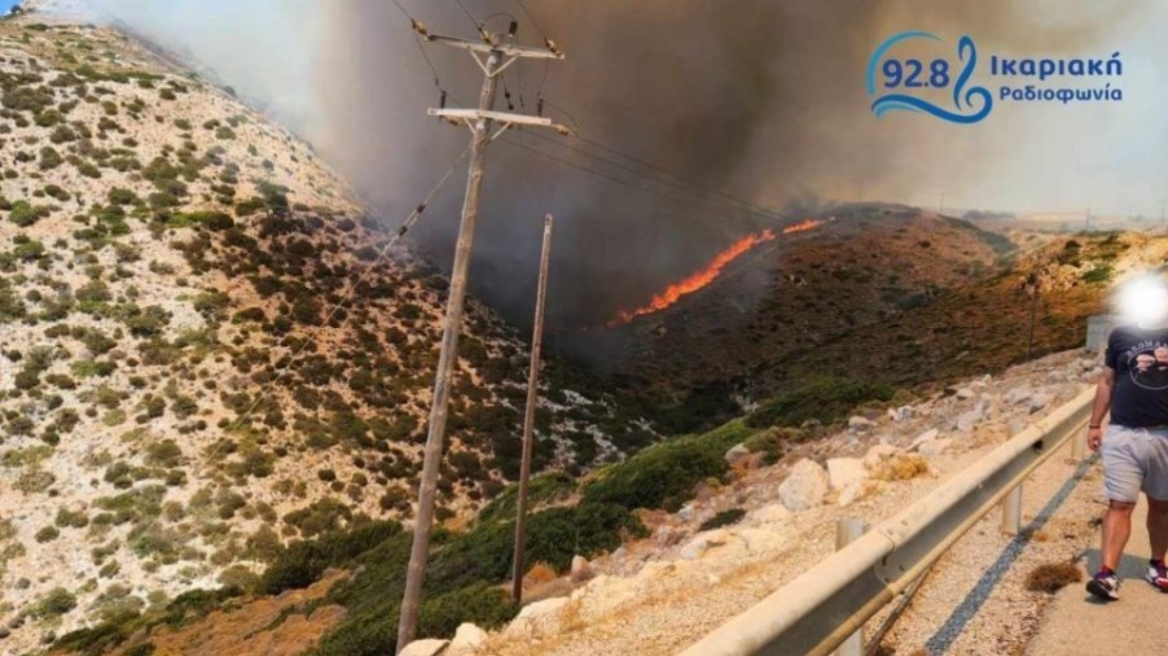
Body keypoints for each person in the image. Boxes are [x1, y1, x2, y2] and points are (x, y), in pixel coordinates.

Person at [1086, 277, 1168, 601]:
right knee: (1120, 504)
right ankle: (1107, 574)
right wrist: (1095, 424)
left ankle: (1157, 564)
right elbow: (1107, 381)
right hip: (1124, 433)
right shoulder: (1120, 336)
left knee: (1162, 506)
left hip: (1165, 434)